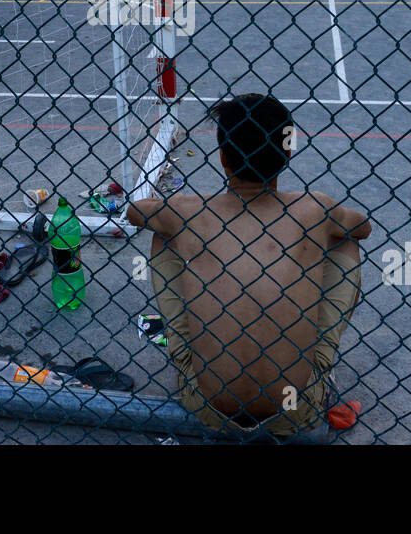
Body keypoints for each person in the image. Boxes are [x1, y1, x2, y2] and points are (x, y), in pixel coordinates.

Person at [127, 93, 371, 438]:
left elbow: (135, 212)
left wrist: (182, 208)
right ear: (287, 152)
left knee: (164, 233)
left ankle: (209, 365)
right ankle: (312, 371)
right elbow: (363, 227)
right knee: (342, 238)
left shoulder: (189, 209)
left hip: (206, 402)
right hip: (291, 405)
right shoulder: (315, 207)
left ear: (223, 157)